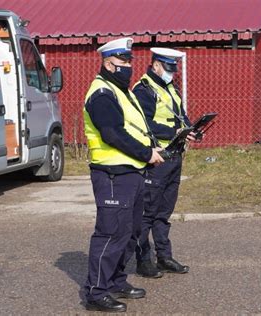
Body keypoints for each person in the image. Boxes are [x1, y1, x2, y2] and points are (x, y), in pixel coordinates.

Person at [83, 38, 164, 313]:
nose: (129, 67)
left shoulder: (122, 91)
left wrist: (151, 147)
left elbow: (134, 127)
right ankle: (96, 292)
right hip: (112, 174)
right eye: (123, 62)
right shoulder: (102, 93)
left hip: (130, 172)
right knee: (110, 233)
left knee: (129, 232)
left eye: (130, 61)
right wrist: (145, 153)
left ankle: (116, 281)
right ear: (108, 63)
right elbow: (113, 134)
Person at [133, 48, 195, 278]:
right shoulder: (143, 90)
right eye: (168, 68)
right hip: (157, 158)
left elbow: (181, 116)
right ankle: (143, 260)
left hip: (174, 156)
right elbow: (143, 124)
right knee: (147, 213)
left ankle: (164, 256)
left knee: (164, 212)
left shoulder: (170, 88)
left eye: (174, 68)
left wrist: (190, 130)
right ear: (156, 65)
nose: (172, 72)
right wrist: (174, 131)